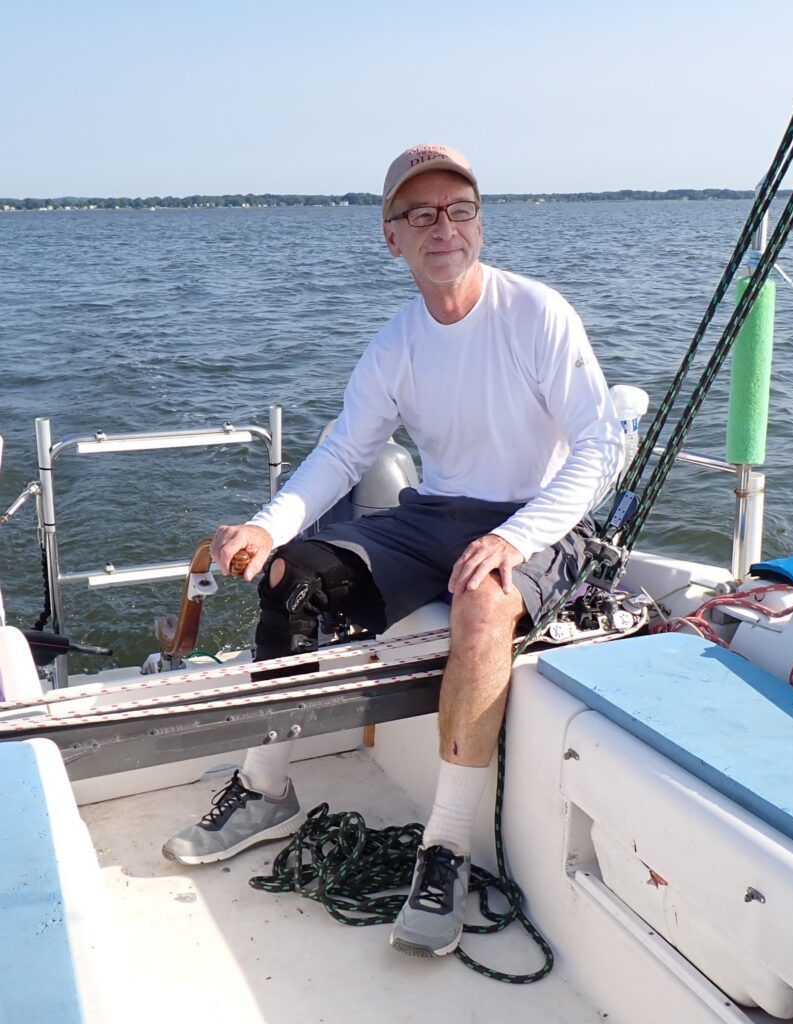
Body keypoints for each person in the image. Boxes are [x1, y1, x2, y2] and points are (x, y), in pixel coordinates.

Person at [163, 142, 622, 958]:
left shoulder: (536, 314)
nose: (441, 226)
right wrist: (269, 528)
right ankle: (266, 788)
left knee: (484, 604)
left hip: (546, 516)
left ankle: (443, 847)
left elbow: (596, 448)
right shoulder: (395, 344)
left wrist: (512, 538)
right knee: (291, 578)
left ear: (478, 223)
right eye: (420, 214)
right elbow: (343, 454)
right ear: (392, 238)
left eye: (458, 210)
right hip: (438, 511)